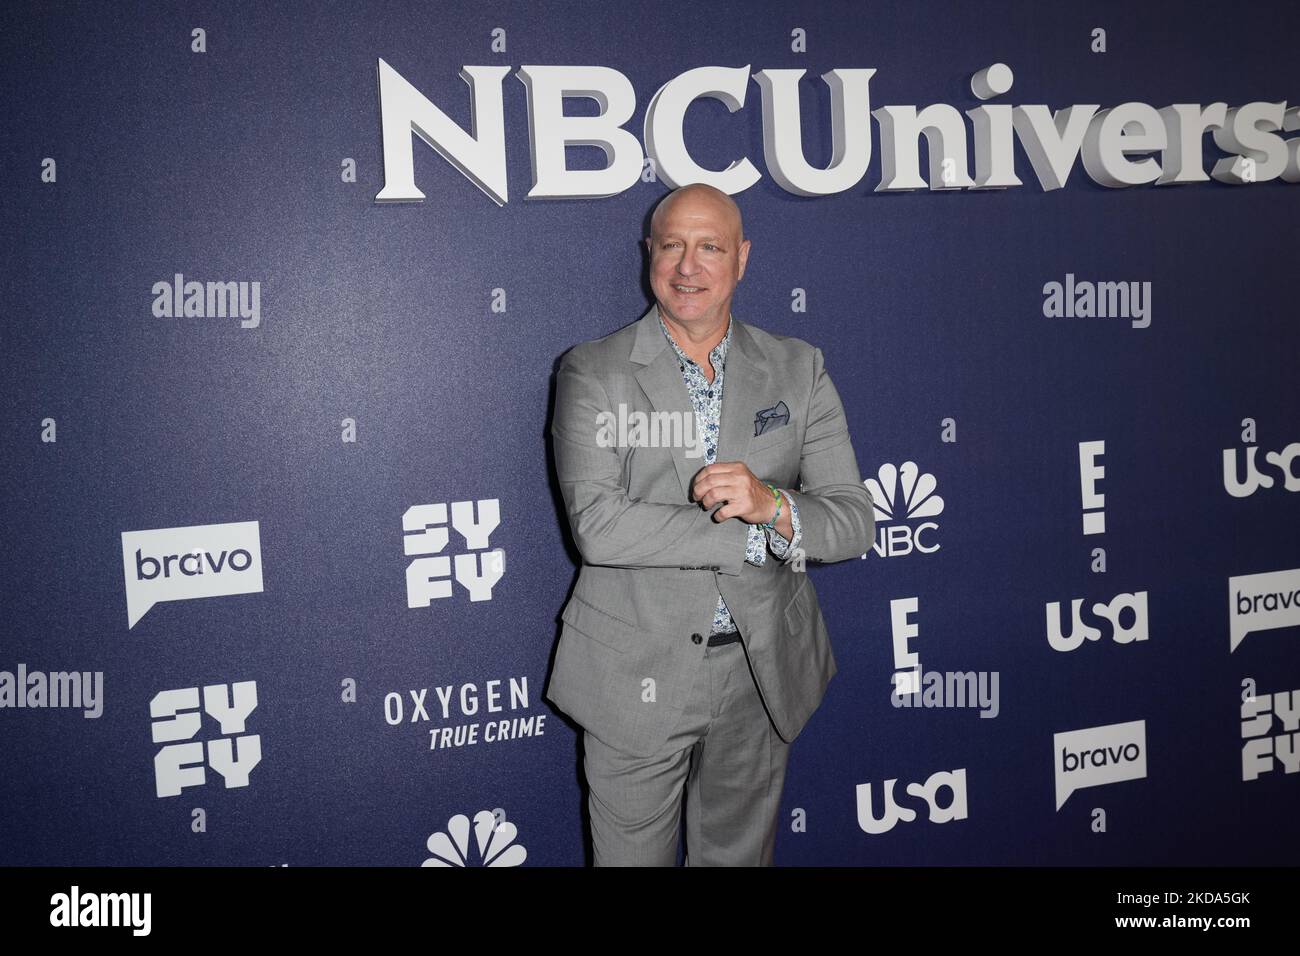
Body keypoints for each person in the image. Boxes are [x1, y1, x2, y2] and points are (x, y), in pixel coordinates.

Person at [547, 183, 874, 865]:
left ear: (742, 258)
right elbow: (599, 527)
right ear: (649, 254)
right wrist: (750, 533)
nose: (688, 266)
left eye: (709, 247)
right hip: (634, 674)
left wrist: (773, 503)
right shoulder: (592, 371)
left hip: (760, 673)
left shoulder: (798, 367)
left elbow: (850, 523)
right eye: (672, 246)